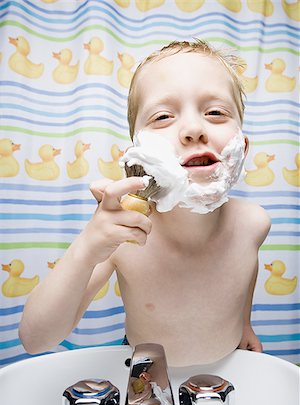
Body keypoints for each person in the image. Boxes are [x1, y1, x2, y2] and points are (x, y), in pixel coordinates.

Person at [19, 40, 271, 366]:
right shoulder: (125, 235)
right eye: (163, 116)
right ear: (139, 152)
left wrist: (245, 324)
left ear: (242, 146)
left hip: (224, 369)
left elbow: (245, 272)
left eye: (215, 113)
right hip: (148, 378)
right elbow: (35, 339)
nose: (194, 129)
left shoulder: (254, 223)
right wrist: (88, 247)